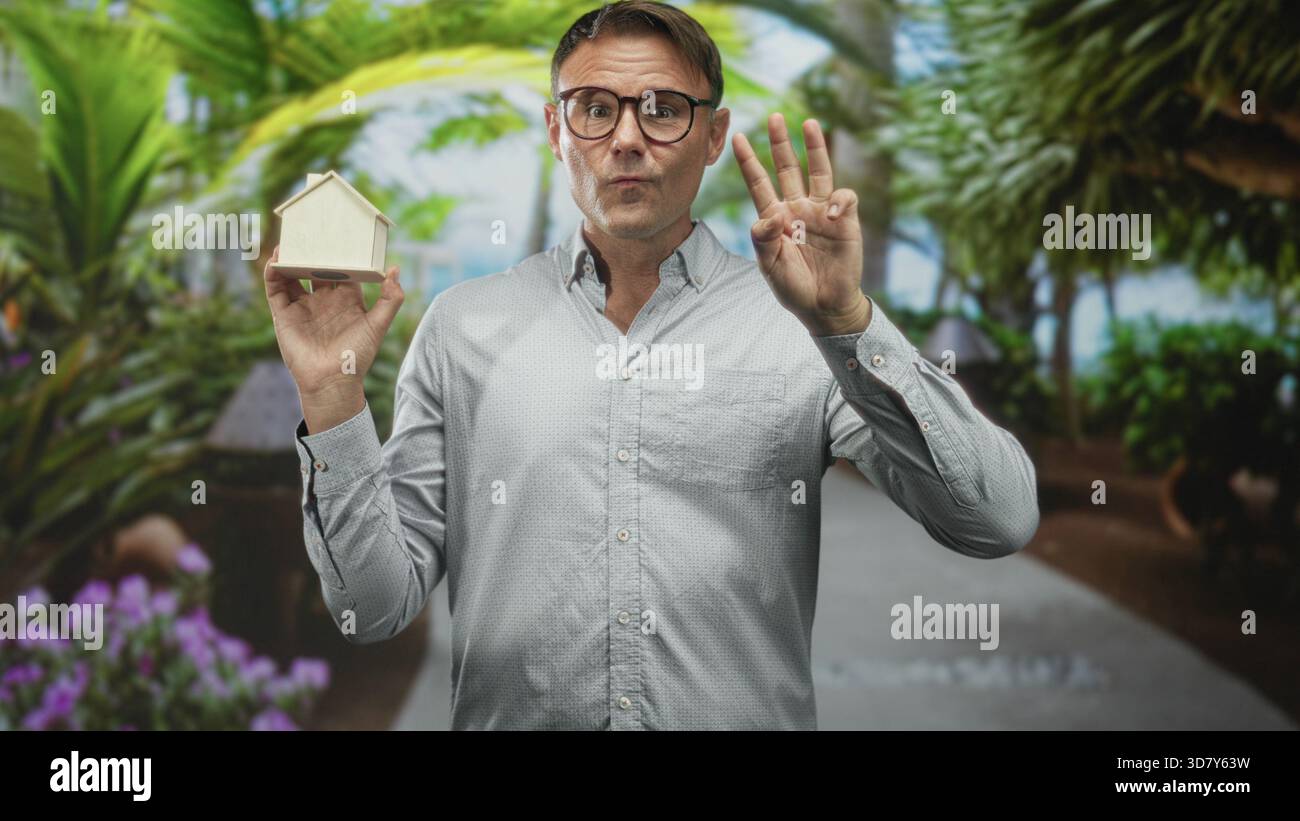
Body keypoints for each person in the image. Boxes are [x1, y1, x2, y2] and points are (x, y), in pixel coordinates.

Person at [263, 0, 1039, 730]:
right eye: (595, 108)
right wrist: (330, 397)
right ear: (555, 130)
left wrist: (845, 322)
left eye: (664, 109)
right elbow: (372, 605)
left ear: (713, 134)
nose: (627, 138)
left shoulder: (797, 326)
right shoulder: (463, 327)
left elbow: (997, 519)